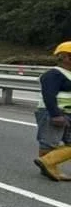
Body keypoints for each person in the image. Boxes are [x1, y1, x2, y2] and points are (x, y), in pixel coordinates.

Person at [34, 41, 71, 180]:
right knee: (49, 142)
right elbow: (48, 95)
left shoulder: (68, 74)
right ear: (64, 57)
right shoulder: (54, 74)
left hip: (67, 112)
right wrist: (55, 114)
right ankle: (49, 166)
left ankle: (47, 163)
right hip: (52, 112)